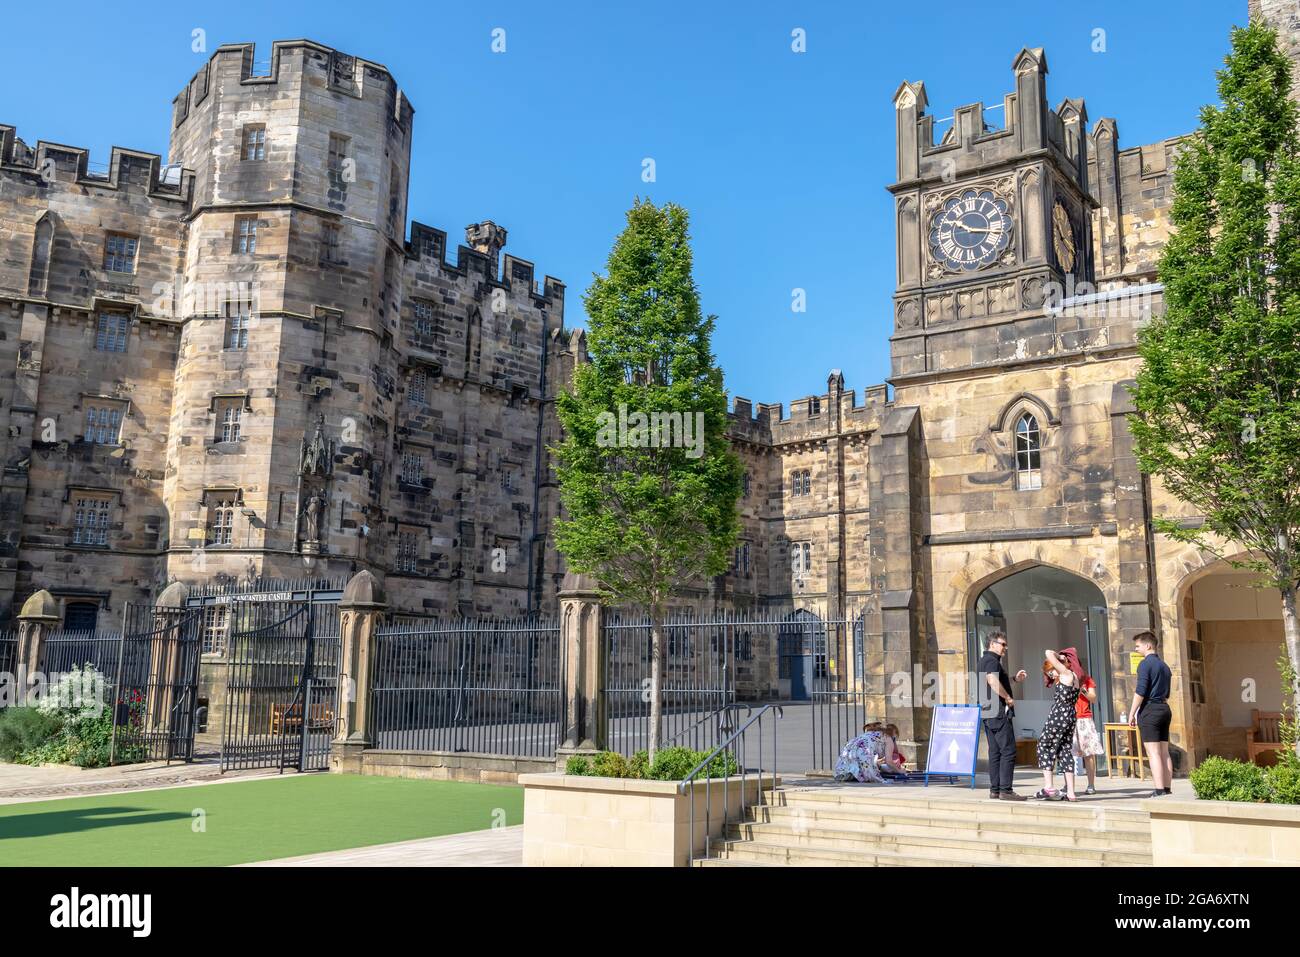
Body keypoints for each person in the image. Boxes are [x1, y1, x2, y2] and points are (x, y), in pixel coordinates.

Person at [978, 631, 1028, 801]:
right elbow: (992, 681)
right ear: (992, 644)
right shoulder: (992, 661)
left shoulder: (985, 661)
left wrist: (1014, 679)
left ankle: (995, 790)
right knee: (1008, 750)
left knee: (995, 752)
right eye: (1002, 644)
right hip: (998, 713)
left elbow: (995, 680)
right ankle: (1006, 790)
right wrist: (1007, 698)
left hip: (987, 712)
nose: (1005, 648)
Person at [1128, 631, 1174, 798]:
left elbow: (1140, 691)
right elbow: (1167, 692)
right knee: (1164, 751)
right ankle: (1167, 788)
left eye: (1138, 646)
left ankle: (1159, 789)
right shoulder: (1164, 666)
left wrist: (1132, 713)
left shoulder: (1145, 664)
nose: (1136, 649)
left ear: (1148, 645)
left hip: (1150, 710)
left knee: (1153, 752)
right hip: (1164, 708)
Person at [1036, 649, 1081, 801]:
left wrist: (1059, 657)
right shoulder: (1075, 678)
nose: (1052, 675)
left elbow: (1048, 652)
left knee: (1044, 745)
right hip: (1070, 716)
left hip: (1059, 715)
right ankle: (1071, 793)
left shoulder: (1066, 674)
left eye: (1051, 671)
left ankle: (1048, 787)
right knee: (1064, 750)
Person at [1071, 659, 1104, 795]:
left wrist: (1081, 689)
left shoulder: (1087, 679)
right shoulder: (1064, 678)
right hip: (1069, 718)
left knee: (1088, 753)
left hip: (1084, 718)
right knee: (1068, 753)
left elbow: (1093, 698)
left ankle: (1091, 785)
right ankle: (1069, 786)